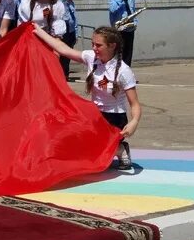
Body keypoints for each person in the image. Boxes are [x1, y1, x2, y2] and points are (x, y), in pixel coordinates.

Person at [32, 25, 141, 170]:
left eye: (98, 45)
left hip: (114, 118)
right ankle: (110, 147)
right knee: (75, 142)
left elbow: (134, 104)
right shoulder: (91, 58)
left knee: (99, 151)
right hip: (94, 115)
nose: (94, 48)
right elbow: (63, 49)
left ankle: (119, 149)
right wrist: (37, 31)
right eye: (92, 44)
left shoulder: (123, 71)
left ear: (112, 46)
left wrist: (134, 122)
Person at [108, 0, 137, 66]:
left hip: (129, 28)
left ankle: (126, 73)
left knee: (128, 53)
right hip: (119, 29)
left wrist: (135, 22)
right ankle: (117, 73)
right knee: (119, 53)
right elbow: (112, 10)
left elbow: (132, 11)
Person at [57, 0, 78, 79]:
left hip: (69, 27)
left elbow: (73, 16)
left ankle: (65, 74)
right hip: (59, 26)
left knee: (67, 52)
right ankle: (59, 74)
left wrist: (75, 31)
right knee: (59, 52)